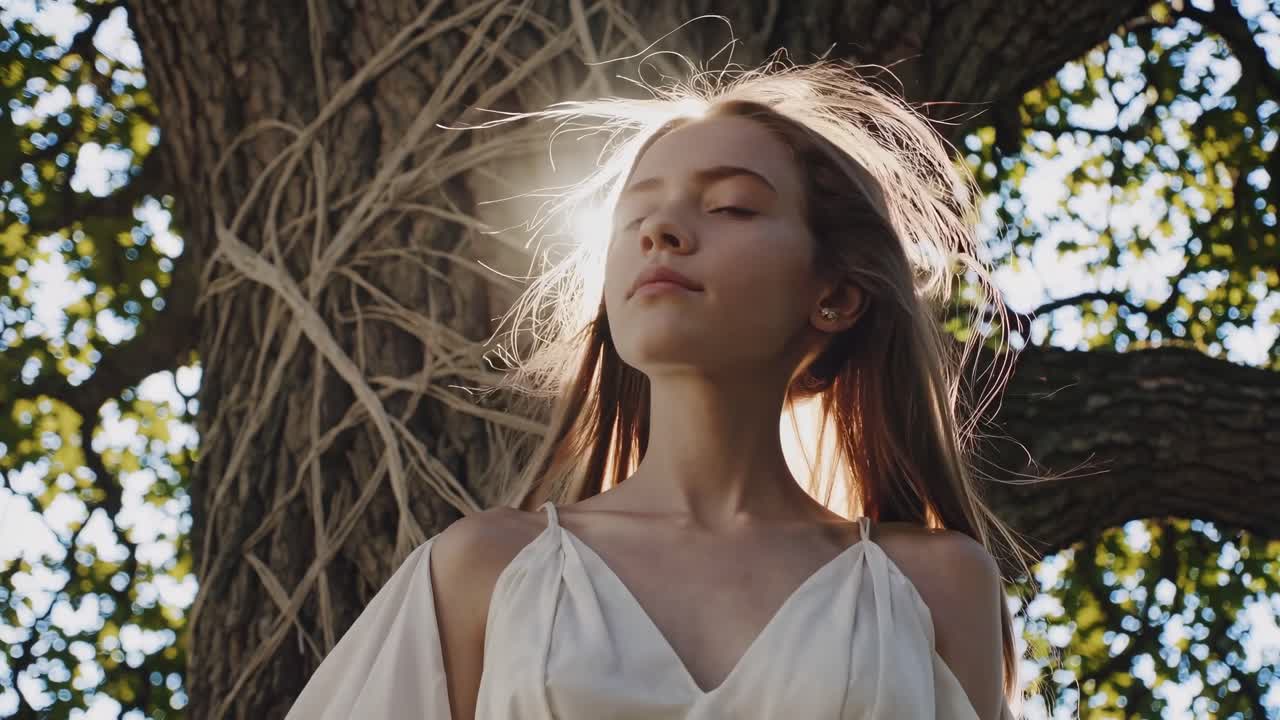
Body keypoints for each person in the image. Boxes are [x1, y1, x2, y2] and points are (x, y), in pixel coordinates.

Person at [286, 54, 1034, 719]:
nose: (659, 231)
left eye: (731, 205)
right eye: (634, 215)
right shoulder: (484, 569)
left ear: (835, 294)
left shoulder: (934, 587)